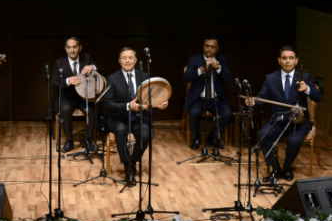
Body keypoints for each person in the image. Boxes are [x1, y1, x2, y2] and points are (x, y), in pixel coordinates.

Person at [244, 46, 322, 181]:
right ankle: (276, 169)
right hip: (278, 120)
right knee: (262, 135)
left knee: (294, 141)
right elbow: (262, 98)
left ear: (296, 60)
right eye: (284, 58)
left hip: (299, 122)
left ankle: (287, 167)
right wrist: (253, 102)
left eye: (291, 58)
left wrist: (307, 89)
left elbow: (318, 97)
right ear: (279, 60)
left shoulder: (304, 77)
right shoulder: (270, 78)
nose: (288, 61)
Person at [101, 47, 168, 185]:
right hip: (119, 118)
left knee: (145, 133)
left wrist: (160, 104)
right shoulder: (112, 79)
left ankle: (133, 161)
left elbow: (152, 98)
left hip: (139, 118)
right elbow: (107, 104)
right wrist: (127, 106)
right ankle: (127, 168)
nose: (127, 60)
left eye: (130, 58)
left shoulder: (145, 76)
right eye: (124, 58)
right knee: (120, 131)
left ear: (136, 60)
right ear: (119, 61)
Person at [50, 37, 107, 153]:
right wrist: (67, 81)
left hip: (84, 97)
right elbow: (54, 84)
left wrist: (93, 67)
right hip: (67, 98)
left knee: (93, 109)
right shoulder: (59, 63)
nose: (72, 50)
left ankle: (87, 140)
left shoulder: (87, 58)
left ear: (80, 48)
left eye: (74, 47)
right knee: (65, 110)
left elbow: (103, 72)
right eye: (69, 47)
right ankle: (69, 141)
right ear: (65, 49)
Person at [183, 36, 234, 150]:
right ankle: (196, 138)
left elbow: (229, 80)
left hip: (216, 99)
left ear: (217, 48)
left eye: (212, 47)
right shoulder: (195, 59)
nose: (209, 49)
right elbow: (186, 78)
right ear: (203, 46)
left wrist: (218, 68)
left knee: (227, 113)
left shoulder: (222, 59)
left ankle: (212, 137)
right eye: (207, 46)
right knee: (194, 112)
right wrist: (200, 70)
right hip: (198, 99)